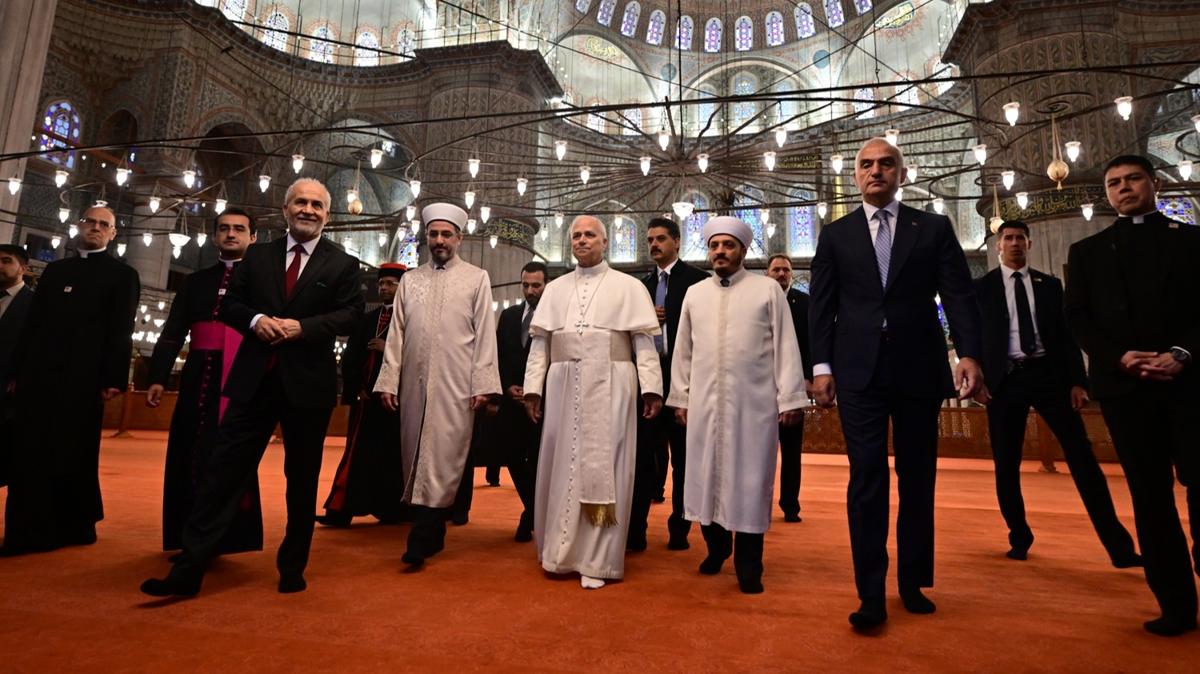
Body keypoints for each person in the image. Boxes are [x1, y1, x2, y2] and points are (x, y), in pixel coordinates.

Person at [140, 178, 364, 596]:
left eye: (317, 204)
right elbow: (231, 306)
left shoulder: (342, 264)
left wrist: (305, 327)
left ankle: (292, 566)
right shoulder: (257, 257)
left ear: (327, 215)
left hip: (307, 387)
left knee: (301, 481)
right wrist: (257, 321)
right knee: (222, 474)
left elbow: (351, 315)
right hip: (253, 381)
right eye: (301, 202)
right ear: (285, 210)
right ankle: (190, 568)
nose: (308, 210)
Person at [809, 137, 984, 629]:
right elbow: (822, 307)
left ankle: (911, 581)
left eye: (886, 164)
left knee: (917, 476)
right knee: (866, 476)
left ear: (902, 174)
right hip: (858, 371)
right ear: (856, 176)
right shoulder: (836, 234)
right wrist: (821, 367)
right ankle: (870, 591)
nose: (876, 171)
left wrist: (969, 352)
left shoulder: (931, 228)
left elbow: (958, 294)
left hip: (918, 367)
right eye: (866, 165)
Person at [1065, 154, 1200, 637]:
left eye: (1133, 179)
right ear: (1106, 193)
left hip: (1189, 386)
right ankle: (1176, 606)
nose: (1123, 188)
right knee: (1150, 497)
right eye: (1114, 183)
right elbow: (1078, 318)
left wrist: (1183, 353)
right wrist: (1120, 356)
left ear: (1154, 183)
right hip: (1126, 390)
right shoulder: (1088, 252)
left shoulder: (1191, 241)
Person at [973, 220, 1139, 566]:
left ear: (1029, 244)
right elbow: (972, 339)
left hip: (1049, 377)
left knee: (1082, 457)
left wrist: (1078, 382)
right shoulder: (982, 288)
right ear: (998, 246)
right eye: (1008, 238)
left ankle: (1119, 548)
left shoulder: (1049, 286)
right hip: (1005, 382)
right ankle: (1019, 537)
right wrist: (977, 380)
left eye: (1020, 238)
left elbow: (1067, 337)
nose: (1015, 243)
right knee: (1007, 464)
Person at [523, 215, 663, 589]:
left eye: (589, 235)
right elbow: (540, 345)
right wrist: (533, 389)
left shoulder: (629, 286)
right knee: (561, 464)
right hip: (564, 382)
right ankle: (560, 551)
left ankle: (598, 560)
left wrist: (652, 388)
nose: (582, 241)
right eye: (576, 236)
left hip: (613, 381)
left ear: (605, 242)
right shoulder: (554, 289)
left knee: (609, 465)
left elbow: (644, 344)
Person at [669, 217, 807, 594]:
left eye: (728, 246)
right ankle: (716, 549)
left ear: (743, 251)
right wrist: (680, 397)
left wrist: (790, 396)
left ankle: (750, 565)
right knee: (704, 478)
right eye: (715, 246)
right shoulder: (696, 294)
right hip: (704, 404)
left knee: (749, 483)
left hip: (754, 406)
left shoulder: (767, 290)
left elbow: (786, 347)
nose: (720, 252)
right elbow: (683, 351)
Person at [3, 206, 140, 555]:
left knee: (73, 450)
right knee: (28, 451)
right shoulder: (55, 270)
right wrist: (16, 372)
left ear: (113, 234)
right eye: (90, 222)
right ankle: (27, 530)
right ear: (80, 226)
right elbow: (32, 325)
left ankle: (75, 525)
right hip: (37, 375)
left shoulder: (122, 275)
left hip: (85, 378)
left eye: (103, 225)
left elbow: (120, 330)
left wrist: (113, 378)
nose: (95, 228)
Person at [374, 203, 500, 569]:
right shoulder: (411, 281)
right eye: (434, 234)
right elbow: (395, 334)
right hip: (413, 383)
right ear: (426, 237)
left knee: (445, 456)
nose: (440, 240)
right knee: (415, 452)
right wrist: (389, 380)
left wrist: (483, 384)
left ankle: (421, 537)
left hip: (456, 384)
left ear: (460, 238)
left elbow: (485, 336)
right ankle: (433, 530)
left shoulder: (477, 278)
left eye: (447, 234)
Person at [146, 208, 263, 556]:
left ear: (252, 238)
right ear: (214, 236)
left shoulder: (260, 282)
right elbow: (172, 333)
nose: (231, 234)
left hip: (240, 378)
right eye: (224, 229)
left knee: (229, 453)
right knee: (189, 450)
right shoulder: (196, 282)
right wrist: (157, 377)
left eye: (239, 229)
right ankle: (187, 534)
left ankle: (227, 536)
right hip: (197, 376)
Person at [629, 217, 709, 552]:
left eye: (661, 238)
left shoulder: (698, 282)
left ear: (677, 241)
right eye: (649, 240)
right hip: (648, 385)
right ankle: (637, 530)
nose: (654, 245)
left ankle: (680, 527)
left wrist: (670, 317)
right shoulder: (640, 286)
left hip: (684, 387)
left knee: (684, 462)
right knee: (642, 459)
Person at [318, 263, 409, 528]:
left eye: (390, 284)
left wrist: (389, 348)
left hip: (396, 403)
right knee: (356, 454)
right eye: (381, 284)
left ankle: (391, 510)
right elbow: (351, 357)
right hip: (367, 402)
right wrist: (355, 386)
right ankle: (341, 511)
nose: (384, 288)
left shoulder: (411, 321)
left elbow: (420, 358)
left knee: (391, 457)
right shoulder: (368, 320)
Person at [496, 261, 548, 542]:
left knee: (540, 461)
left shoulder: (556, 317)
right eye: (526, 285)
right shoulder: (508, 316)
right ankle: (535, 510)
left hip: (543, 405)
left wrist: (535, 390)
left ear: (546, 285)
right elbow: (499, 355)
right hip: (511, 403)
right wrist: (505, 387)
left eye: (536, 285)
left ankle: (529, 517)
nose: (530, 291)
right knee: (513, 458)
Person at [766, 254, 814, 522]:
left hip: (793, 386)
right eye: (776, 269)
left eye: (785, 270)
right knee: (760, 451)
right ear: (767, 273)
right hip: (761, 388)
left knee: (792, 451)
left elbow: (810, 344)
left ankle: (790, 505)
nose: (781, 274)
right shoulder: (758, 300)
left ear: (791, 273)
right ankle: (760, 502)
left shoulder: (805, 303)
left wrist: (808, 377)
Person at [0, 244, 34, 488]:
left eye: (6, 261)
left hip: (8, 400)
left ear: (23, 268)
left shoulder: (36, 305)